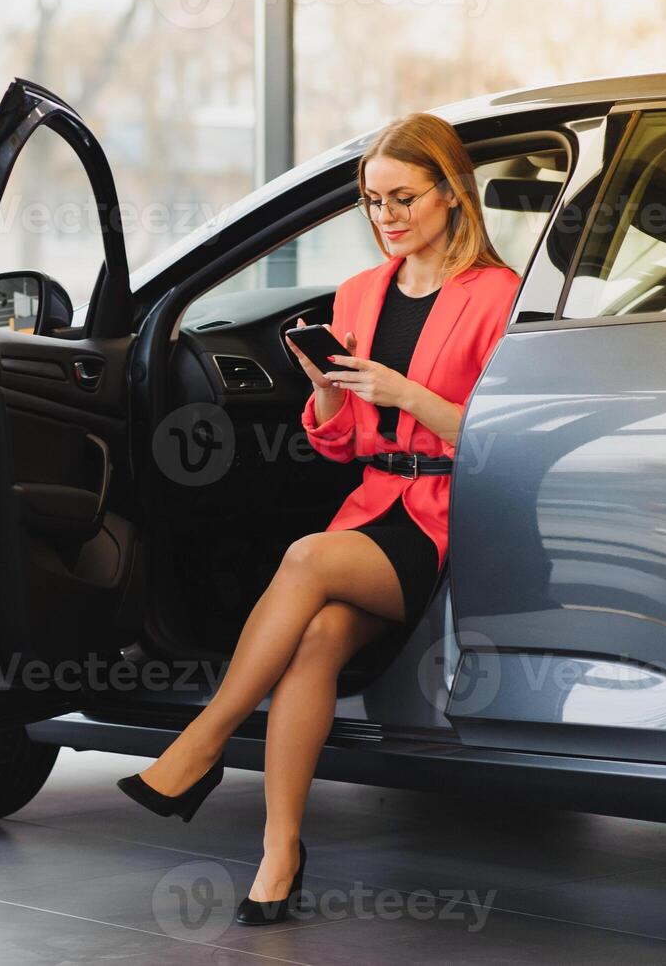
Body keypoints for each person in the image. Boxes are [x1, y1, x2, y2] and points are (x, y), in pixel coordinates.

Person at [116, 112, 522, 926]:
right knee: (313, 645)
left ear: (449, 193)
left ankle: (201, 744)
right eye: (372, 201)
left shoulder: (496, 295)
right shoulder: (358, 294)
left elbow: (498, 436)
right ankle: (279, 853)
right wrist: (328, 388)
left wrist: (405, 393)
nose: (386, 217)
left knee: (304, 559)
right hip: (375, 500)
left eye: (402, 197)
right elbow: (341, 445)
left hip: (449, 516)